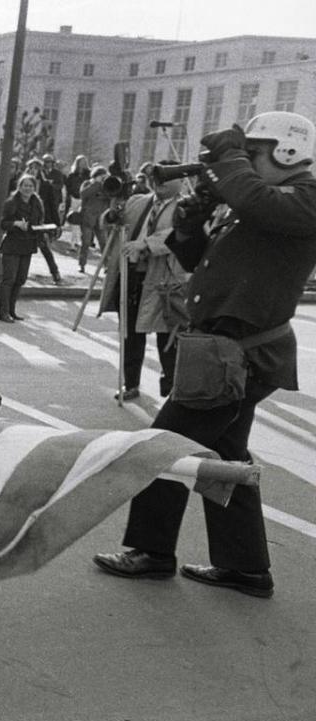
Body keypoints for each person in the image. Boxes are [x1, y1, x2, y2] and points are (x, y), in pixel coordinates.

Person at [93, 112, 316, 599]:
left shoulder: (304, 199)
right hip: (225, 352)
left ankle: (151, 552)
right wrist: (190, 226)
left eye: (255, 153)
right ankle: (244, 566)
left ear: (288, 151)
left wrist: (231, 163)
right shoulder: (260, 204)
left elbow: (258, 200)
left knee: (162, 445)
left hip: (237, 355)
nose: (248, 164)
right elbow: (198, 260)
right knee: (224, 456)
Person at [99, 160, 188, 400]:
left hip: (164, 281)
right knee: (130, 333)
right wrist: (112, 213)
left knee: (167, 337)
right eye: (158, 176)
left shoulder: (186, 206)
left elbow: (179, 234)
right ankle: (130, 384)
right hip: (133, 277)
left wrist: (146, 244)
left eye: (167, 177)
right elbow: (110, 223)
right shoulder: (138, 201)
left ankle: (171, 390)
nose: (160, 182)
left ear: (181, 181)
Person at [0, 174, 44, 323]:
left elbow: (38, 222)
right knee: (9, 279)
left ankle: (12, 310)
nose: (27, 188)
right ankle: (3, 312)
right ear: (20, 186)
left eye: (30, 186)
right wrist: (16, 224)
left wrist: (43, 229)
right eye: (25, 185)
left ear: (34, 188)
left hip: (28, 244)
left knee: (20, 279)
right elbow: (3, 223)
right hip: (12, 244)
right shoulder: (12, 202)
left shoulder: (37, 203)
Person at [25, 158, 63, 284]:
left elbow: (52, 205)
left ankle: (55, 273)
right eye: (32, 167)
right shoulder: (22, 184)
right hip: (25, 220)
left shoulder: (45, 185)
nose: (34, 170)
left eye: (36, 168)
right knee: (23, 248)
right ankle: (21, 274)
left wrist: (57, 224)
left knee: (44, 247)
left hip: (40, 222)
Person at [77, 165, 111, 273]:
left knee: (104, 243)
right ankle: (82, 264)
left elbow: (111, 197)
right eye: (101, 176)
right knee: (86, 242)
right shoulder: (88, 184)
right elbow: (83, 194)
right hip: (88, 218)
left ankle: (107, 266)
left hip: (101, 219)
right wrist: (96, 184)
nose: (103, 179)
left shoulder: (107, 186)